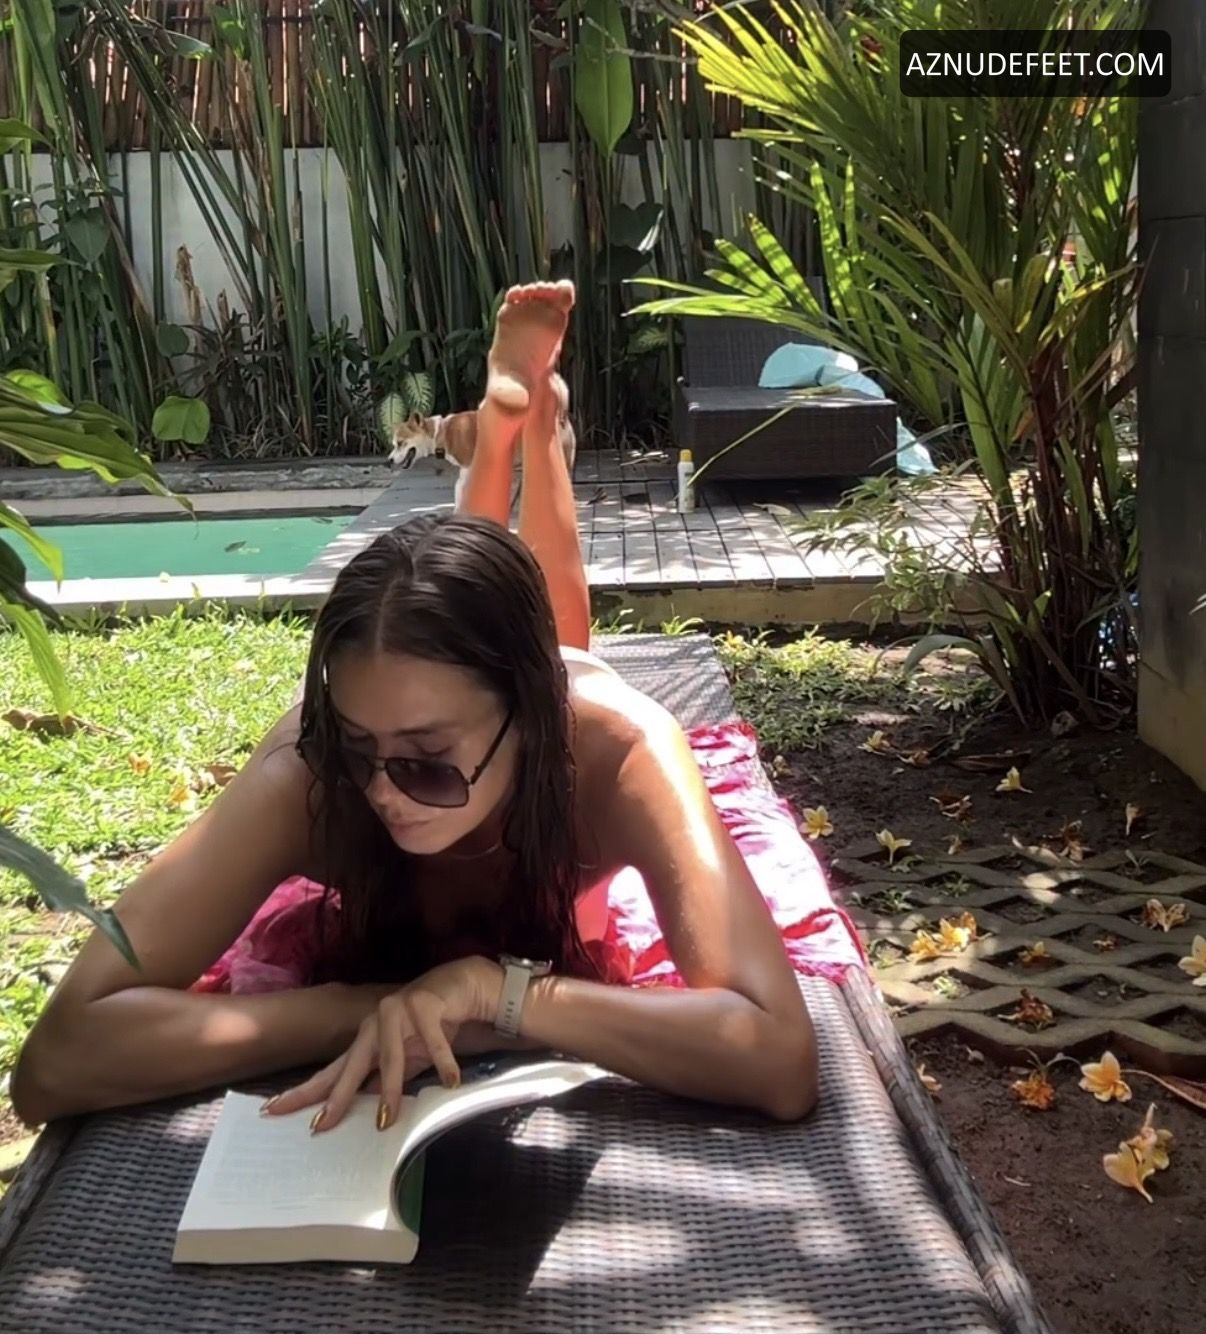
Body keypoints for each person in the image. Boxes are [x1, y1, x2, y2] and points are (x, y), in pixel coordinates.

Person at [13, 281, 817, 1134]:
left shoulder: (619, 753)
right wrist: (384, 1004)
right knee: (461, 611)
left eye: (427, 761)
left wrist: (494, 992)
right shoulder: (310, 772)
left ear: (533, 722)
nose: (383, 791)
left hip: (556, 687)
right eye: (358, 749)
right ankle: (506, 432)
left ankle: (539, 436)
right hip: (497, 699)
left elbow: (777, 1054)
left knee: (555, 628)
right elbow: (57, 1060)